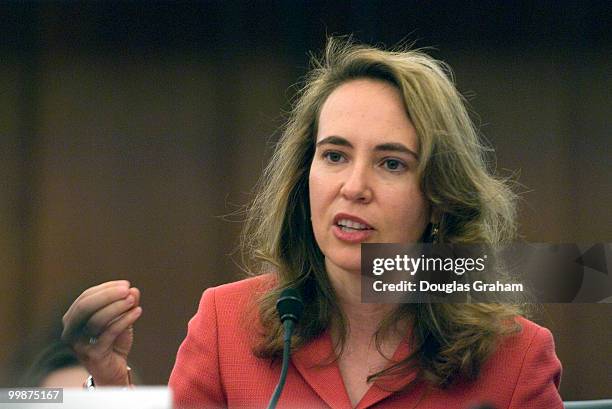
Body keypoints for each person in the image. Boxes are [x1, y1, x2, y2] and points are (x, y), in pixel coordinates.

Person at [61, 38, 563, 408]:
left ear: (439, 196)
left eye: (391, 163)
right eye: (335, 156)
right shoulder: (226, 324)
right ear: (306, 176)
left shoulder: (515, 358)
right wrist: (108, 382)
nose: (354, 186)